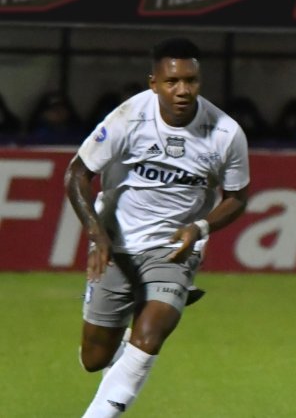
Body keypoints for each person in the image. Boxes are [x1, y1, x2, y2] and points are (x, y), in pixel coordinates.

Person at [67, 38, 250, 417]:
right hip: (116, 244)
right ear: (154, 83)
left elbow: (237, 196)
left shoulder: (225, 133)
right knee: (94, 359)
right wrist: (96, 233)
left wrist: (199, 228)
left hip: (174, 250)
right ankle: (131, 324)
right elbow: (78, 174)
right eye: (172, 81)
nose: (183, 90)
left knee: (149, 337)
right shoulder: (128, 118)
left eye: (191, 80)